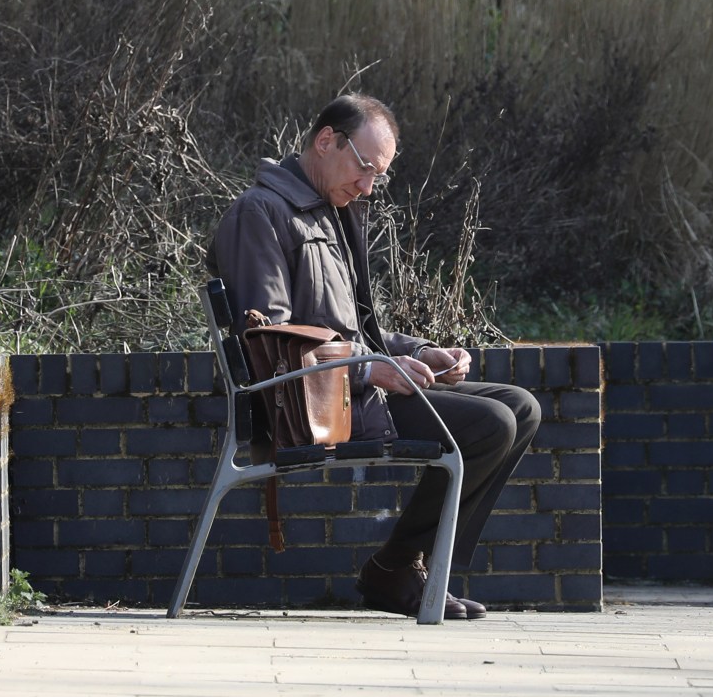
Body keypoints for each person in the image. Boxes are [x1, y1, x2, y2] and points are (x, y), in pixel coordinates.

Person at [206, 93, 540, 620]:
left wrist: (419, 351)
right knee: (491, 423)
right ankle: (397, 568)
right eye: (363, 168)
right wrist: (370, 369)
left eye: (376, 177)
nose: (367, 187)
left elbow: (360, 330)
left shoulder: (332, 214)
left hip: (355, 389)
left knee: (522, 407)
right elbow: (269, 341)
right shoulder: (261, 213)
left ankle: (405, 567)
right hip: (314, 406)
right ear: (325, 141)